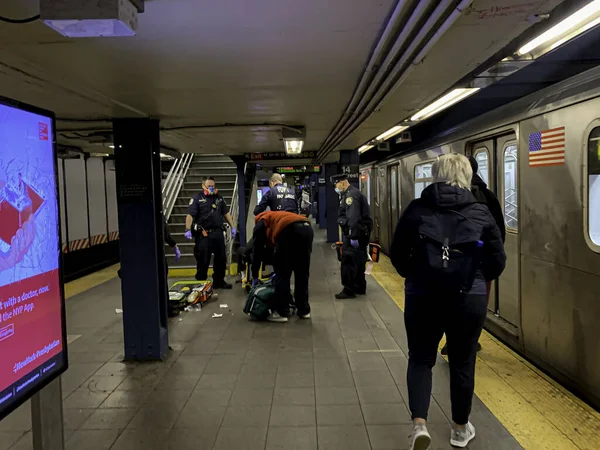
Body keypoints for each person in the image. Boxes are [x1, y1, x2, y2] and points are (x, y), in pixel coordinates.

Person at [390, 154, 506, 450]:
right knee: (463, 361)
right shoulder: (481, 212)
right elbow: (497, 262)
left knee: (420, 359)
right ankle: (459, 429)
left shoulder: (417, 210)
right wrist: (475, 279)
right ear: (467, 176)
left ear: (434, 176)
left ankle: (419, 426)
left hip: (422, 296)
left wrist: (416, 276)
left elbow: (398, 253)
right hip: (469, 298)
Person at [440, 155, 506, 356]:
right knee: (477, 305)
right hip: (480, 265)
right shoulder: (488, 197)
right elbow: (499, 233)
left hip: (451, 264)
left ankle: (452, 340)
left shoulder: (444, 197)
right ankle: (471, 341)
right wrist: (491, 267)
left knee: (452, 303)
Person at [252, 211, 314, 322]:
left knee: (282, 273)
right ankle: (304, 310)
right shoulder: (276, 216)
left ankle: (281, 312)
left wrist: (255, 276)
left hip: (288, 230)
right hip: (307, 229)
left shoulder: (261, 222)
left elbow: (257, 251)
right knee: (302, 273)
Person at [185, 176, 236, 288]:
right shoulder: (197, 198)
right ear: (203, 186)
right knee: (203, 259)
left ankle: (219, 281)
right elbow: (190, 215)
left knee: (221, 259)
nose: (212, 188)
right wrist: (188, 229)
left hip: (217, 233)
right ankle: (200, 282)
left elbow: (226, 213)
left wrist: (233, 226)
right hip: (204, 234)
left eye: (213, 186)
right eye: (209, 186)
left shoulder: (219, 198)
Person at [331, 173, 372, 299]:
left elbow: (353, 218)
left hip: (354, 234)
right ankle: (359, 286)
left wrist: (353, 236)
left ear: (342, 182)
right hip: (361, 233)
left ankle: (348, 290)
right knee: (359, 260)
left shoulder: (350, 196)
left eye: (336, 184)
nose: (336, 188)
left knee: (348, 261)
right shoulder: (354, 193)